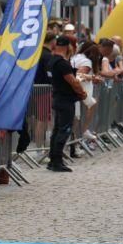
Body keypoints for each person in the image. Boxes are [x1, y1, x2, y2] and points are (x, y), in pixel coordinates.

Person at [47, 35, 87, 172]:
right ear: (67, 46)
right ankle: (57, 161)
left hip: (57, 97)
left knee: (57, 130)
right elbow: (73, 81)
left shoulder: (52, 61)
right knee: (64, 130)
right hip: (65, 100)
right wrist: (82, 92)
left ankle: (53, 160)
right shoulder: (62, 63)